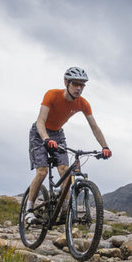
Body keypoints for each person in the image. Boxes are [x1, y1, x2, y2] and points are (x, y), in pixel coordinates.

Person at [24, 66, 111, 225]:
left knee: (65, 171)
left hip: (58, 134)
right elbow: (40, 121)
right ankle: (28, 210)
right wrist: (45, 139)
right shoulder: (52, 95)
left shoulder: (83, 104)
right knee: (42, 172)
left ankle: (64, 210)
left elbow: (94, 127)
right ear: (66, 82)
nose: (79, 88)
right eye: (75, 84)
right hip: (39, 133)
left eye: (82, 85)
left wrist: (105, 147)